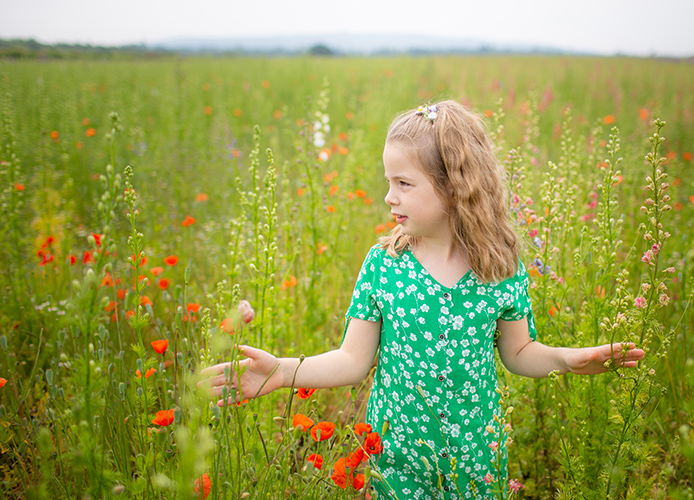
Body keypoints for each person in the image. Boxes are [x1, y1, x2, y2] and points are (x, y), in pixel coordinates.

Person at [198, 100, 645, 499]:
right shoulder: (383, 265)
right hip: (398, 459)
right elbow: (352, 360)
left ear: (454, 187)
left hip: (476, 460)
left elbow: (519, 352)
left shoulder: (500, 267)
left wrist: (568, 359)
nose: (389, 196)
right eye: (388, 181)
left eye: (404, 183)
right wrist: (281, 372)